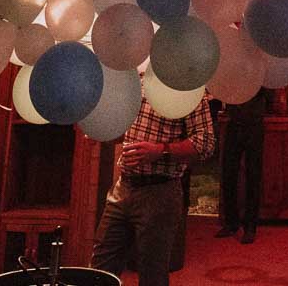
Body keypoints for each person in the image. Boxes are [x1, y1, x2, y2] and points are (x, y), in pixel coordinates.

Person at [91, 92, 215, 286]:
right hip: (123, 187)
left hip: (160, 193)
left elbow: (205, 143)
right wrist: (105, 132)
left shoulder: (188, 91)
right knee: (100, 268)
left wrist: (160, 150)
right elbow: (127, 132)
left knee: (152, 274)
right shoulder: (137, 84)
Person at [216, 88, 268, 243]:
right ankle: (231, 223)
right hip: (234, 122)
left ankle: (250, 227)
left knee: (253, 175)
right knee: (228, 173)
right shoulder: (236, 67)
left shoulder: (261, 68)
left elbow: (269, 94)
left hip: (254, 124)